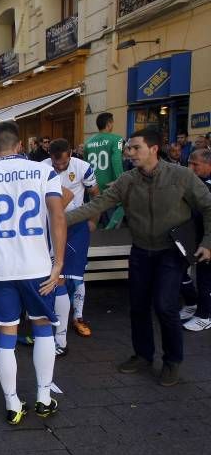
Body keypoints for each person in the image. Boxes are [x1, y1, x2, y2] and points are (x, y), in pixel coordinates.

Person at [65, 127, 211, 386]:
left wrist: (208, 242)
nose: (129, 153)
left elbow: (208, 207)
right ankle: (143, 355)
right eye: (128, 148)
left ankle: (172, 361)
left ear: (153, 149)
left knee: (165, 305)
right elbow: (97, 205)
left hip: (171, 251)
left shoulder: (181, 176)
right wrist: (57, 219)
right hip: (141, 250)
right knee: (139, 306)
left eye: (135, 148)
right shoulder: (127, 180)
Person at [0, 121, 66, 425]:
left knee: (6, 335)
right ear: (20, 146)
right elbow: (58, 216)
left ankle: (12, 404)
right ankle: (44, 398)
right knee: (43, 328)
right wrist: (58, 263)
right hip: (38, 267)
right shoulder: (45, 172)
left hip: (1, 269)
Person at [42, 138, 100, 353]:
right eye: (55, 164)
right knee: (55, 276)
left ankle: (78, 317)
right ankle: (53, 325)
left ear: (70, 154)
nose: (59, 168)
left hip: (75, 225)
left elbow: (96, 194)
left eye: (63, 164)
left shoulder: (83, 168)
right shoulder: (41, 167)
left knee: (75, 277)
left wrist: (93, 220)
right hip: (50, 225)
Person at [183, 148, 211, 332]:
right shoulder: (193, 179)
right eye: (190, 163)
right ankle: (193, 302)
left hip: (206, 236)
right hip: (190, 231)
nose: (191, 167)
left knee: (205, 276)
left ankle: (205, 315)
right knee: (179, 270)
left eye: (196, 164)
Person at [84, 112, 125, 227]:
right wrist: (120, 181)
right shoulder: (118, 140)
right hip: (110, 185)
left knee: (94, 220)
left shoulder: (88, 143)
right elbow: (116, 160)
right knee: (112, 222)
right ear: (109, 124)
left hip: (93, 185)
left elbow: (85, 164)